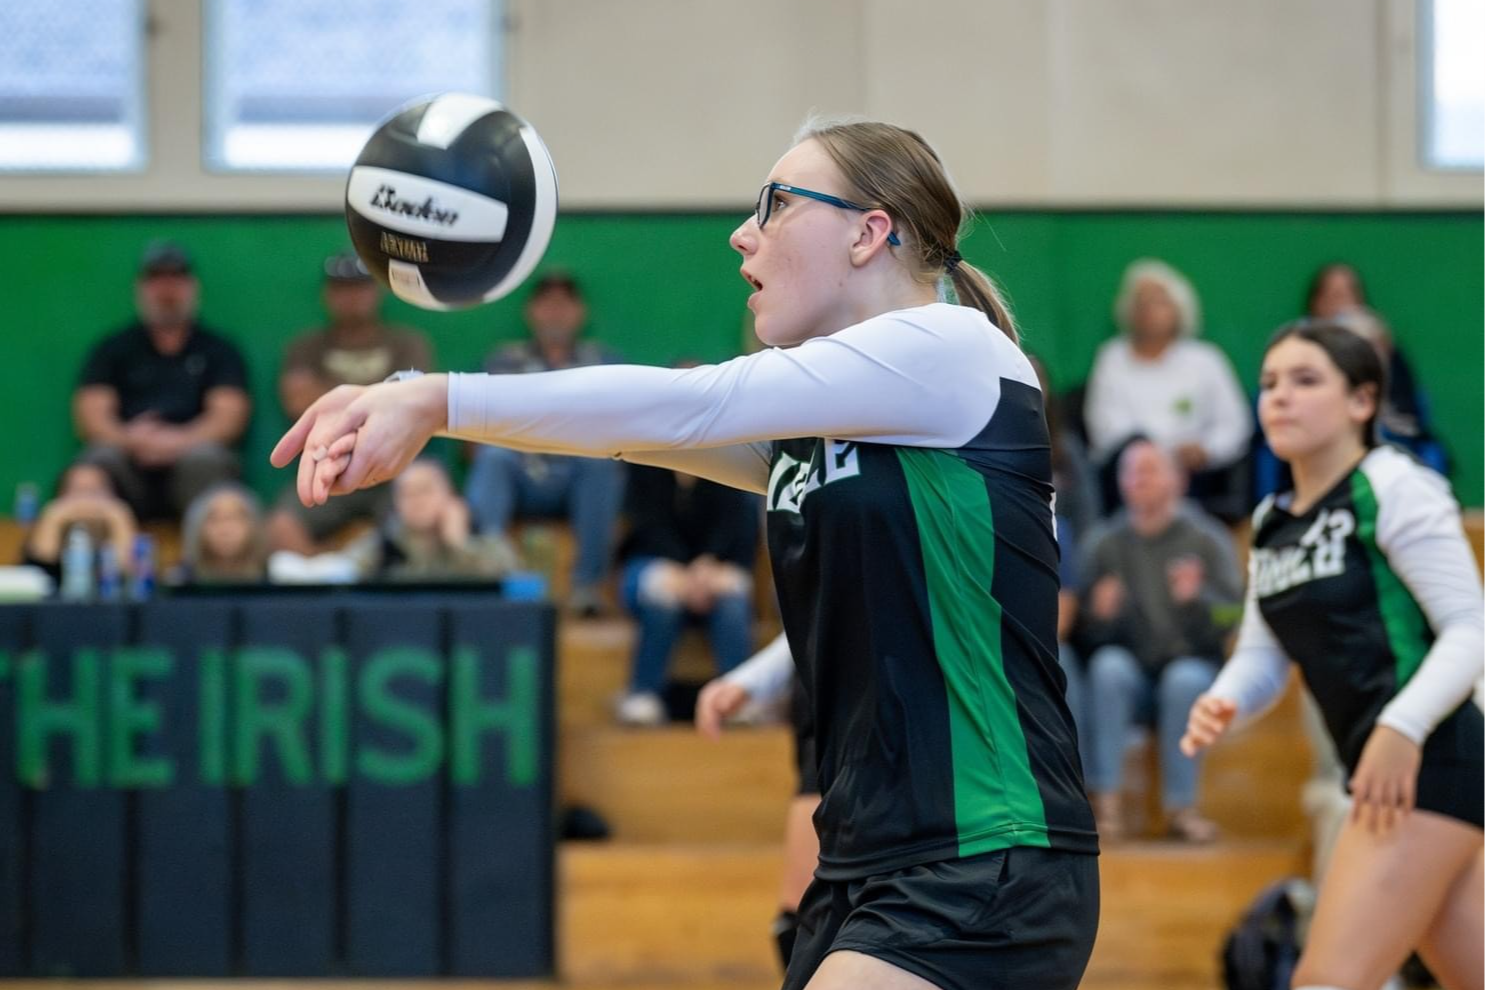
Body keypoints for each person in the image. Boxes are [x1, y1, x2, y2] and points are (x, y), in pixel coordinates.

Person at [274, 116, 1099, 990]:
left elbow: (688, 407)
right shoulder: (828, 421)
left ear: (869, 231)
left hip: (987, 849)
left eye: (775, 205)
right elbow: (644, 434)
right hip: (867, 859)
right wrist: (412, 401)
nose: (742, 233)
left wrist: (437, 398)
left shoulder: (953, 349)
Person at [1182, 319, 1485, 990]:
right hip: (1380, 771)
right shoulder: (1271, 521)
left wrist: (1399, 729)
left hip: (1430, 761)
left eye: (1304, 380)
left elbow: (1469, 628)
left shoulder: (1393, 485)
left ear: (1361, 402)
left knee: (1325, 981)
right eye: (1267, 384)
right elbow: (1264, 654)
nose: (1278, 397)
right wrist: (1224, 698)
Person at [1075, 439, 1242, 842]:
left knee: (1184, 679)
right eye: (1130, 471)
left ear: (1178, 479)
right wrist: (1098, 615)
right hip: (1132, 673)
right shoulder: (1103, 543)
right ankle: (1106, 803)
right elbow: (1082, 635)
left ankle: (1182, 809)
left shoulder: (1207, 538)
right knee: (1106, 667)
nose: (1138, 479)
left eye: (1149, 469)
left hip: (1192, 666)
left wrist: (1198, 600)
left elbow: (1234, 616)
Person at [463, 272, 625, 616]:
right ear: (531, 312)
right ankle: (490, 572)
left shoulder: (602, 361)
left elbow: (623, 428)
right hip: (521, 470)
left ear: (580, 312)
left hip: (577, 472)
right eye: (547, 304)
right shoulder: (503, 361)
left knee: (602, 465)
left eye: (564, 304)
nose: (555, 312)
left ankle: (588, 587)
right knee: (493, 457)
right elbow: (472, 434)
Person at [267, 252, 435, 554]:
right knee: (281, 526)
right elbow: (297, 403)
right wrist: (384, 395)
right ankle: (330, 581)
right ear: (327, 295)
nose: (352, 297)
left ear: (377, 291)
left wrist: (330, 396)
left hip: (395, 468)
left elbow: (417, 404)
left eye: (360, 287)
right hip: (328, 467)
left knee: (425, 520)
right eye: (341, 288)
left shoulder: (408, 342)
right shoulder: (304, 346)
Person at [73, 240, 250, 521]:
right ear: (141, 288)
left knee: (209, 460)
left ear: (192, 286)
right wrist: (129, 440)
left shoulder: (219, 350)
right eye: (157, 280)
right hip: (129, 462)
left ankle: (209, 564)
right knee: (93, 466)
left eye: (175, 279)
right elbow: (91, 417)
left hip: (191, 459)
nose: (167, 290)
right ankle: (88, 560)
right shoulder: (113, 348)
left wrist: (177, 441)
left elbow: (228, 419)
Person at [1083, 258, 1252, 521]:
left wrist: (1207, 450)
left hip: (1196, 478)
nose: (1148, 310)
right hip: (1131, 478)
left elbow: (1234, 424)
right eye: (1140, 302)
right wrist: (1160, 455)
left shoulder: (1206, 360)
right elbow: (1105, 429)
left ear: (1180, 309)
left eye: (1159, 301)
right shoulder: (1111, 358)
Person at [696, 632, 819, 975]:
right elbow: (818, 605)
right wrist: (751, 680)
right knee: (801, 923)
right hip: (831, 702)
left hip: (897, 704)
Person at [613, 464, 761, 726]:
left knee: (733, 603)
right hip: (655, 559)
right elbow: (645, 525)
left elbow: (736, 526)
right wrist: (683, 570)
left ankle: (739, 695)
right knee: (662, 598)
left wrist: (706, 566)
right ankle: (643, 692)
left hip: (713, 567)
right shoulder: (644, 465)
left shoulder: (728, 466)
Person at [342, 457, 516, 583]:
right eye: (407, 493)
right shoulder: (382, 546)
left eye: (425, 490)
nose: (416, 501)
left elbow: (511, 583)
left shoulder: (484, 538)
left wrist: (460, 545)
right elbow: (342, 573)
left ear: (450, 494)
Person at [20, 461, 138, 581]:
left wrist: (120, 519)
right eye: (77, 491)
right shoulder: (48, 528)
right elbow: (34, 581)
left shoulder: (119, 522)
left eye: (95, 491)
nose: (86, 500)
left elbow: (131, 582)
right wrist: (52, 518)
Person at [173, 482, 268, 585]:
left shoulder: (275, 578)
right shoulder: (179, 581)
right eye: (214, 520)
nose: (225, 530)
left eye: (234, 519)